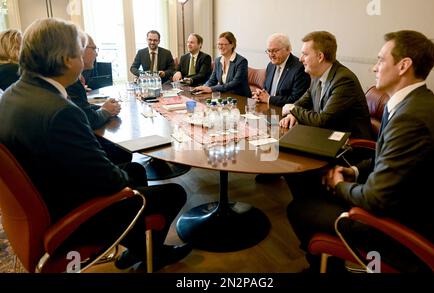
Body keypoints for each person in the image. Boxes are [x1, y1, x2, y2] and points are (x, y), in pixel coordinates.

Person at [0, 18, 191, 272]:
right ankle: (146, 250)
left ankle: (141, 249)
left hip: (44, 196)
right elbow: (109, 181)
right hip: (72, 216)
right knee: (173, 193)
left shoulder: (13, 94)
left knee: (135, 171)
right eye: (82, 50)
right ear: (67, 59)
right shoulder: (60, 112)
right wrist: (122, 179)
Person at [287, 30, 434, 272]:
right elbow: (383, 158)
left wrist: (339, 185)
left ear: (404, 65)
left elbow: (376, 199)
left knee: (299, 208)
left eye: (381, 60)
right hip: (398, 200)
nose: (374, 68)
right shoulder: (414, 103)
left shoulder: (411, 117)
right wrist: (352, 171)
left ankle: (327, 268)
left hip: (398, 225)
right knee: (311, 185)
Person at [279, 31, 372, 140]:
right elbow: (304, 102)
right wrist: (292, 115)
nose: (300, 59)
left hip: (349, 145)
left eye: (305, 54)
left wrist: (293, 109)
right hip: (326, 137)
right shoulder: (317, 75)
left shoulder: (344, 80)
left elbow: (322, 121)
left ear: (320, 57)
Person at [66, 34, 131, 165]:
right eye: (94, 49)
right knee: (125, 155)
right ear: (80, 50)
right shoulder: (71, 82)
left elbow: (82, 110)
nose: (96, 54)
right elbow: (90, 120)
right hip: (82, 160)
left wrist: (104, 108)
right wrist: (106, 110)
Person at [252, 33, 310, 107]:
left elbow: (297, 99)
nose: (271, 55)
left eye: (275, 51)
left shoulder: (300, 68)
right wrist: (260, 95)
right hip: (268, 110)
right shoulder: (270, 65)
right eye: (269, 51)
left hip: (286, 114)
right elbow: (266, 90)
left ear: (288, 49)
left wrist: (269, 99)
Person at [194, 31, 251, 97]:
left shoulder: (241, 61)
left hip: (240, 98)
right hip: (225, 96)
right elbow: (212, 80)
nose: (220, 47)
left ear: (232, 45)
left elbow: (234, 83)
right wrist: (203, 87)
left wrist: (211, 89)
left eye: (223, 44)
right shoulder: (218, 61)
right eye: (219, 44)